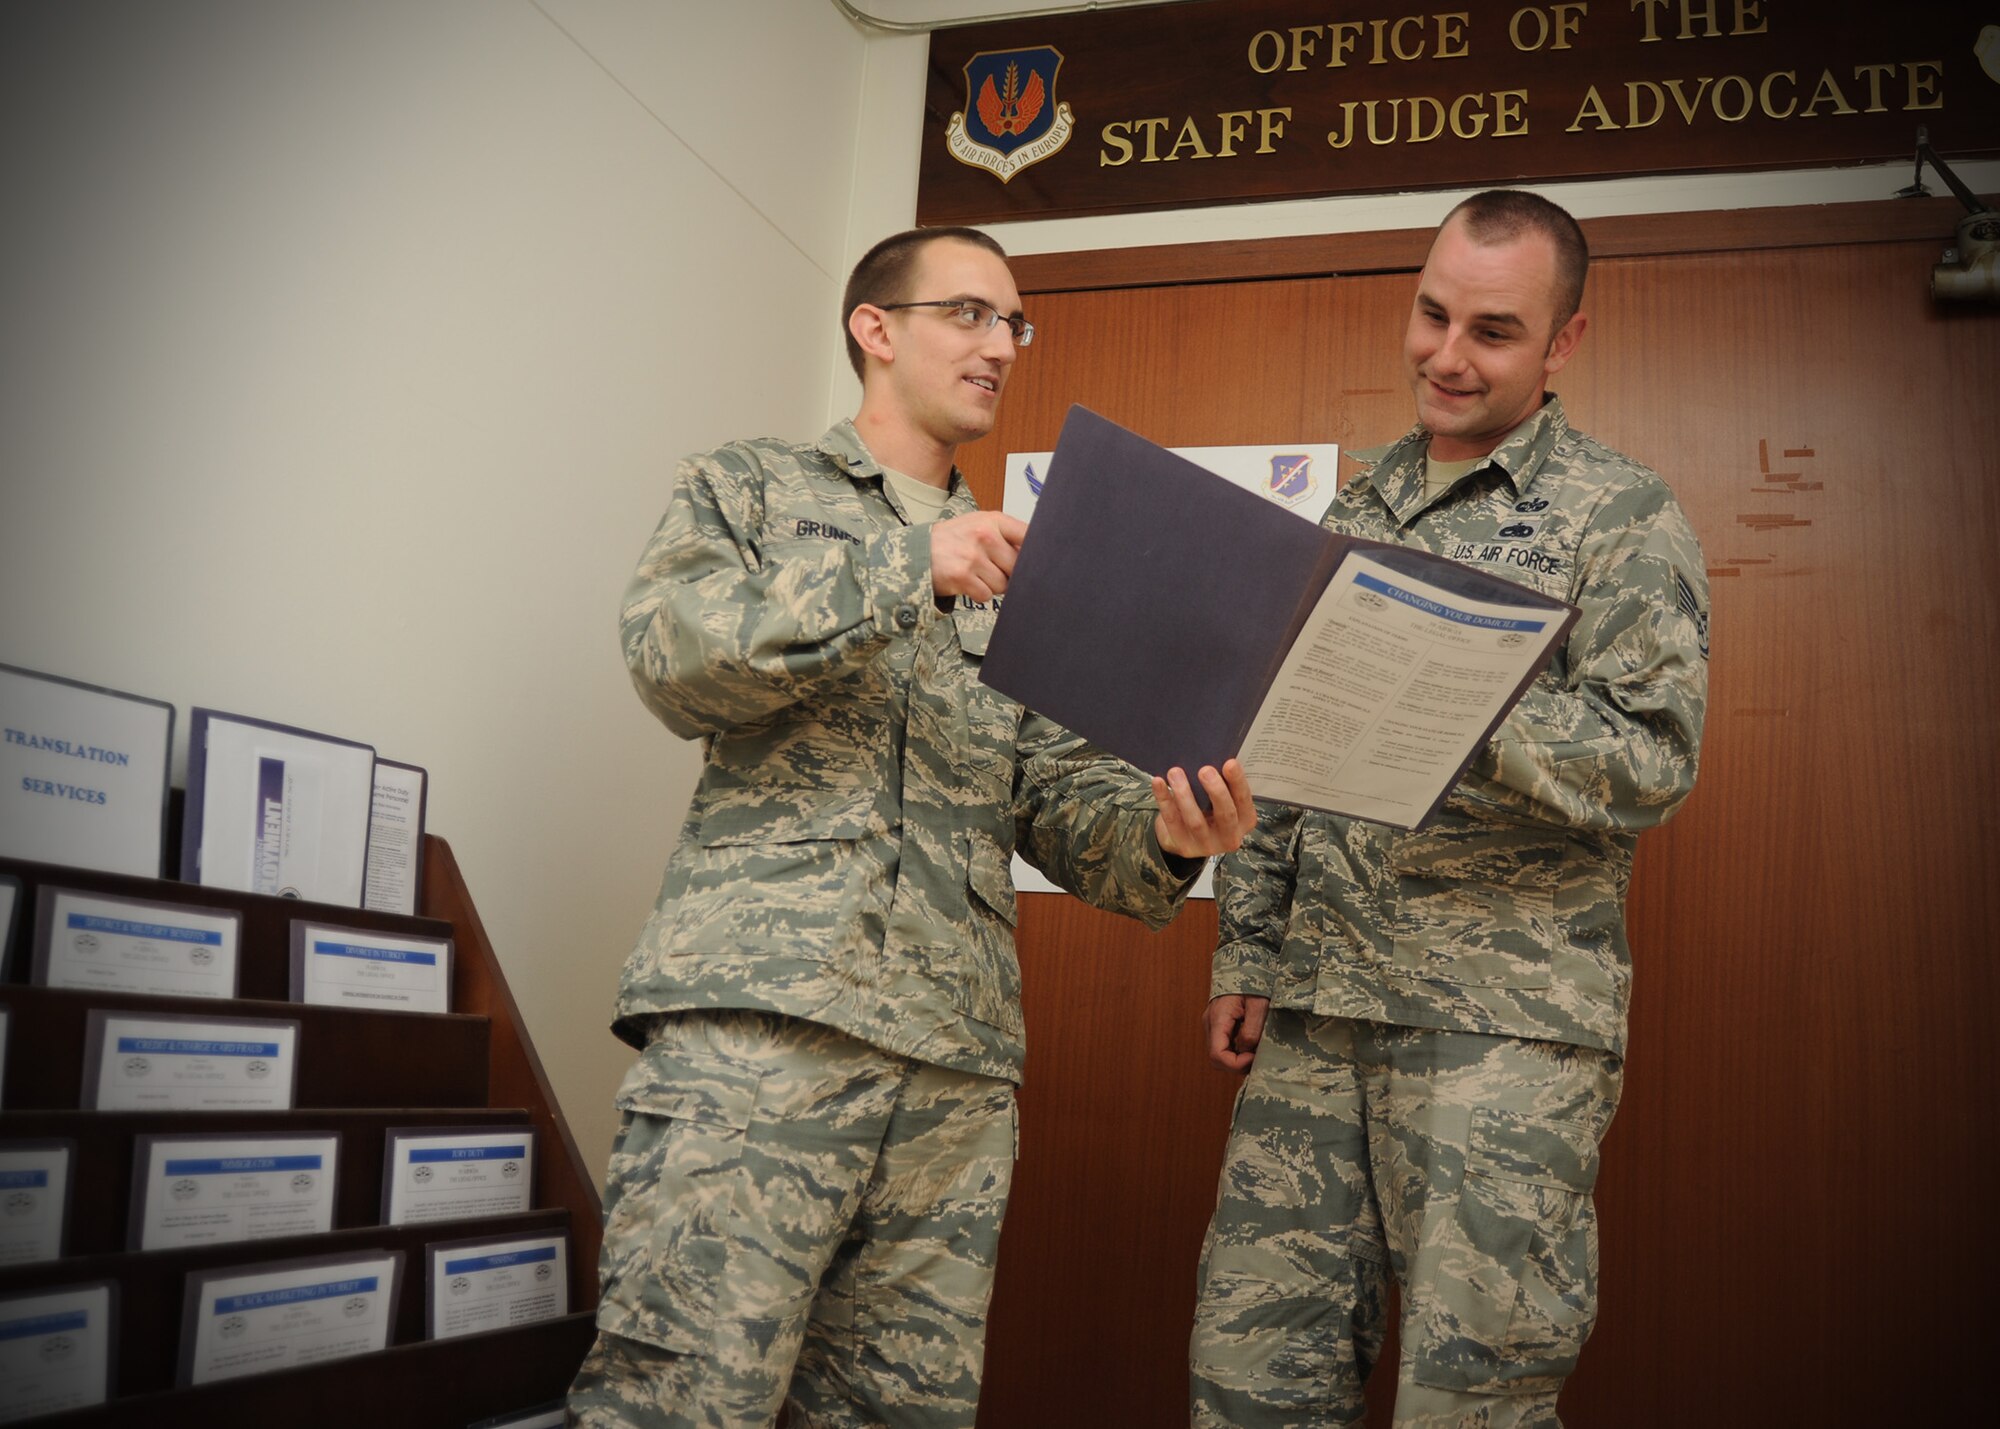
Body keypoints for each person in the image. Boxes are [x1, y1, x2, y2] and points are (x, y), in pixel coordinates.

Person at [569, 225, 1256, 1429]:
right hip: (767, 1023)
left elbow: (1049, 796)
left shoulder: (1025, 572)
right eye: (967, 314)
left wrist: (1168, 839)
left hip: (952, 1062)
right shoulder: (752, 486)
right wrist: (904, 565)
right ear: (873, 329)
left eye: (1012, 323)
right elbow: (672, 657)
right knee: (680, 1399)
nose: (999, 345)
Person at [1190, 190, 1710, 1427]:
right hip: (1314, 1017)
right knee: (1247, 1382)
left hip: (1501, 1034)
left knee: (1467, 1401)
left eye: (1489, 330)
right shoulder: (1351, 510)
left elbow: (1651, 762)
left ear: (1560, 343)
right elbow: (1281, 751)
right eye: (1429, 314)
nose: (1443, 355)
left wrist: (1461, 702)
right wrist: (1246, 949)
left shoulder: (1619, 515)